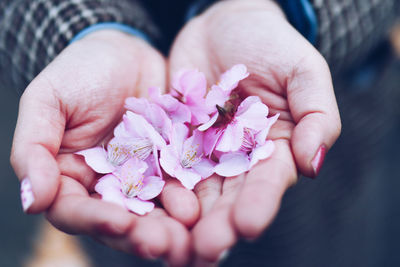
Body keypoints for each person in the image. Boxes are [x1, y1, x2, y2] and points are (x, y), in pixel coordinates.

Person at [1, 0, 399, 266]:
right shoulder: (153, 149)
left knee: (328, 247)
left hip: (334, 162)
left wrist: (282, 8)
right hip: (131, 221)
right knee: (133, 246)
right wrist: (82, 31)